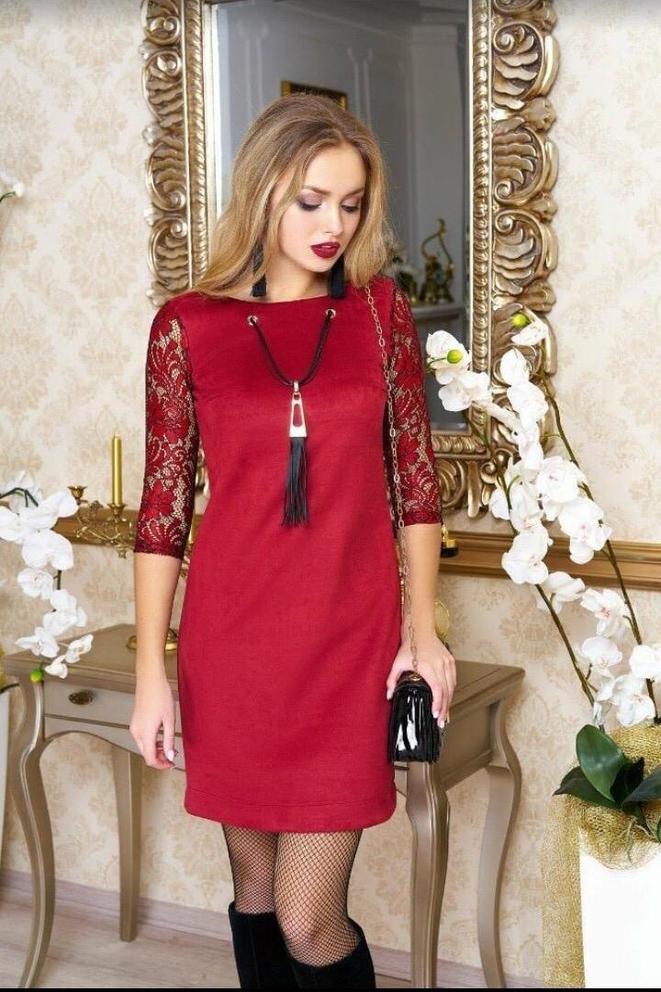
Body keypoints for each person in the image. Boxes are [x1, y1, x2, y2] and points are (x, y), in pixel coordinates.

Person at [130, 93, 456, 989]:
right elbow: (161, 512)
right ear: (262, 191)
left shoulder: (380, 313)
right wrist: (153, 673)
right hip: (231, 649)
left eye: (350, 205)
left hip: (348, 648)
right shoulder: (186, 326)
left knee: (310, 921)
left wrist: (422, 633)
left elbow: (415, 486)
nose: (332, 226)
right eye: (311, 201)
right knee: (255, 892)